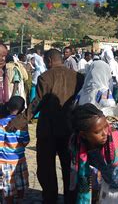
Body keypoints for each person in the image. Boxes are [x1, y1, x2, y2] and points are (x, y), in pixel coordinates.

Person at [6, 49, 85, 203]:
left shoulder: (45, 77)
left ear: (49, 61)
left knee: (46, 168)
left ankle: (50, 198)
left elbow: (36, 104)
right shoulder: (78, 77)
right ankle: (70, 198)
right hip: (70, 130)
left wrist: (17, 122)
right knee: (69, 166)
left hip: (48, 130)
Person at [0, 97, 29, 204]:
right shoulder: (23, 125)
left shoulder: (2, 123)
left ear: (7, 107)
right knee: (21, 183)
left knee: (8, 187)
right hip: (20, 159)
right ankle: (20, 200)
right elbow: (26, 141)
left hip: (6, 161)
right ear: (22, 110)